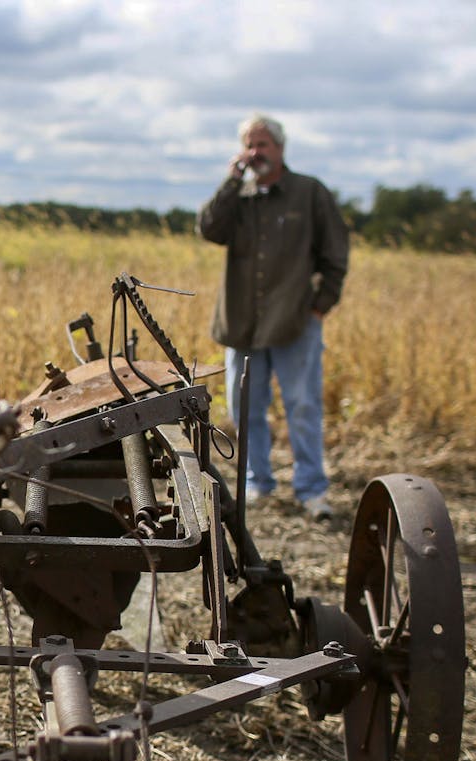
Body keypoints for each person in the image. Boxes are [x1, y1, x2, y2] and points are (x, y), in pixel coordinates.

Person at [197, 113, 349, 520]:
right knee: (244, 407)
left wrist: (320, 306)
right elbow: (209, 228)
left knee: (302, 406)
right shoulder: (238, 197)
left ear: (280, 149)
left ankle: (311, 489)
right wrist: (232, 181)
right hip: (242, 323)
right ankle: (258, 483)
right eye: (250, 144)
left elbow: (336, 253)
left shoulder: (309, 193)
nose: (256, 152)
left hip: (295, 321)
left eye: (263, 144)